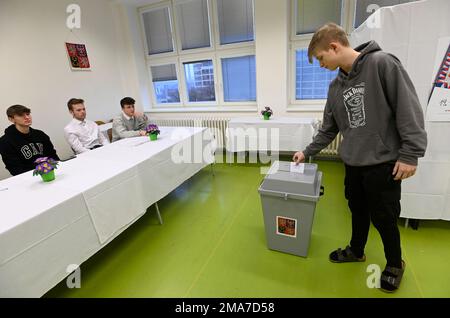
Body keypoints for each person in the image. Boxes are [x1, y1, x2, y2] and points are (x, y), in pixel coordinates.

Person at [292, 23, 427, 293]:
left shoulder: (382, 64)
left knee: (384, 217)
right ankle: (356, 250)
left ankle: (394, 263)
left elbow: (407, 108)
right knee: (357, 211)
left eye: (320, 58)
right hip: (353, 163)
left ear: (334, 46)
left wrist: (411, 153)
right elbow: (329, 129)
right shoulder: (334, 87)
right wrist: (307, 151)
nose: (320, 65)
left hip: (383, 163)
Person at [0, 105, 60, 176]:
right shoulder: (5, 141)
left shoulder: (40, 134)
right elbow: (15, 169)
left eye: (28, 114)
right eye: (20, 115)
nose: (27, 117)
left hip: (50, 172)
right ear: (11, 119)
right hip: (28, 178)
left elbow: (53, 156)